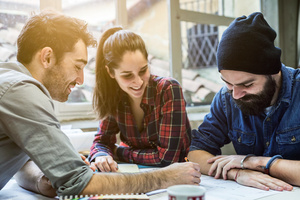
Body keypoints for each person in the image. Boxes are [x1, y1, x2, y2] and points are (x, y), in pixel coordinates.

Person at [0, 10, 201, 198]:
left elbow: (20, 164)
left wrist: (47, 176)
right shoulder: (21, 91)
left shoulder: (11, 80)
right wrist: (165, 177)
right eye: (78, 66)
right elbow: (78, 182)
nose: (80, 79)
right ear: (47, 57)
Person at [188, 12, 300, 191]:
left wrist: (255, 162)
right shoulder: (226, 98)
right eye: (228, 84)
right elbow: (195, 153)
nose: (236, 95)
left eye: (247, 84)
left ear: (272, 71)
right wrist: (237, 173)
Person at [89, 27, 191, 172]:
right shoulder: (113, 96)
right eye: (127, 75)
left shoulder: (168, 89)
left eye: (143, 70)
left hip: (180, 174)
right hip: (139, 174)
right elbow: (101, 142)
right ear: (111, 72)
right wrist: (101, 155)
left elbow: (167, 159)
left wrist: (118, 152)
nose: (138, 82)